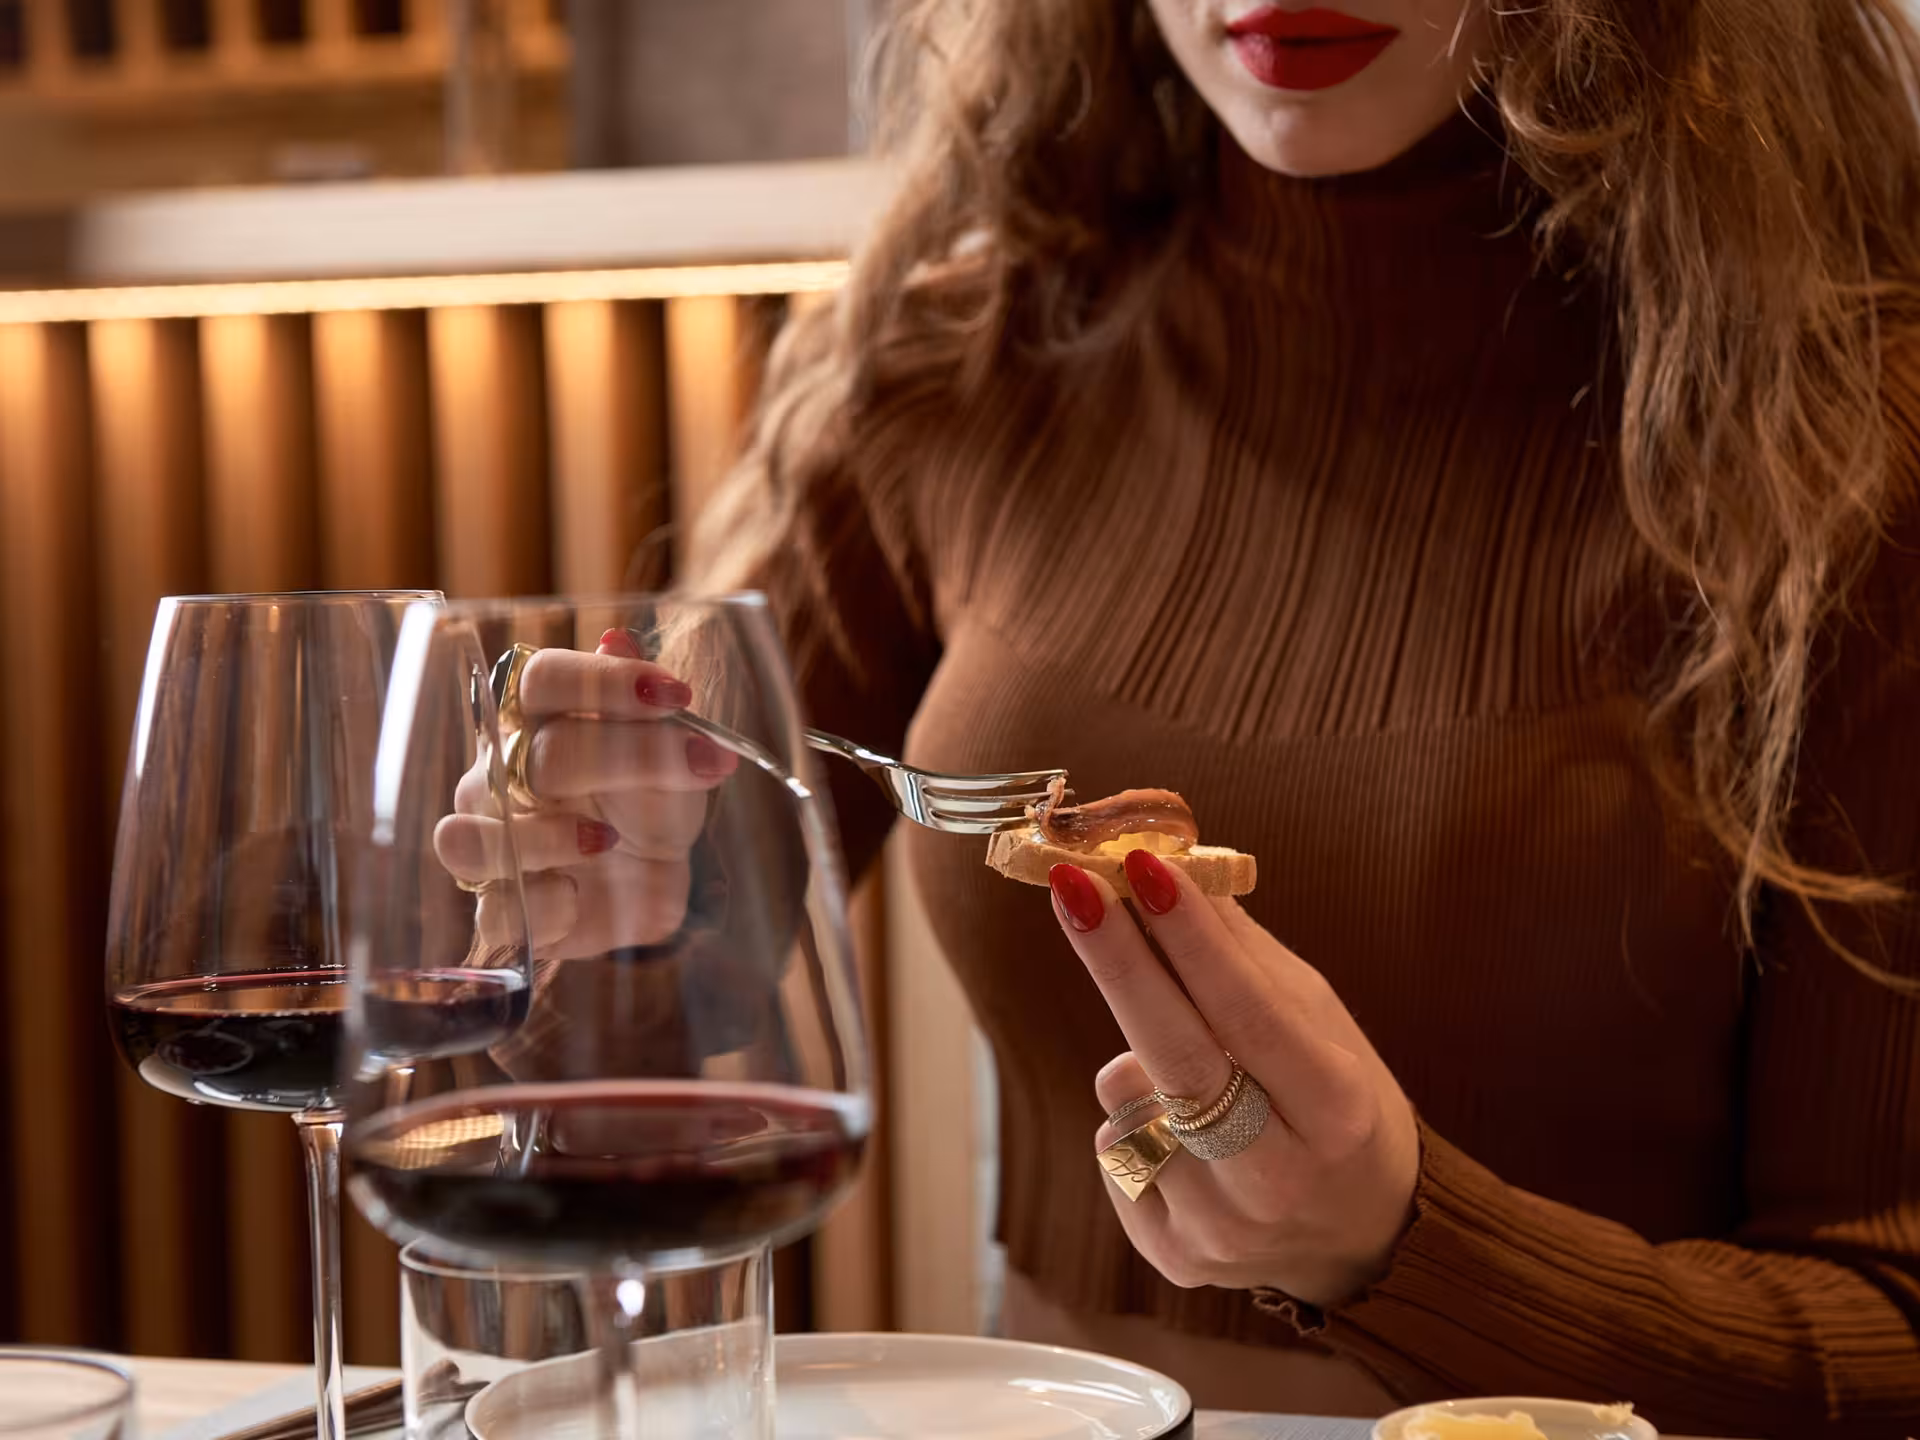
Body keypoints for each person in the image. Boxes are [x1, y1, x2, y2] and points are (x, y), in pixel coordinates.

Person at [458, 1, 1920, 1434]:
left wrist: (1400, 1246)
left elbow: (1892, 1331)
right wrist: (587, 911)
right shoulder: (965, 358)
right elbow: (654, 1006)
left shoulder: (1856, 446)